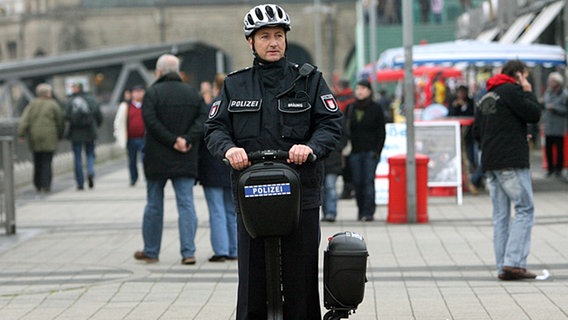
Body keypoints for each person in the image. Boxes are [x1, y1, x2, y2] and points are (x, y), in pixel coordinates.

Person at [204, 4, 343, 319]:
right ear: (250, 42)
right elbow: (214, 128)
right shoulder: (235, 85)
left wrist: (309, 147)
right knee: (252, 280)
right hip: (253, 195)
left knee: (301, 277)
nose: (273, 42)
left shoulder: (309, 81)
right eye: (264, 36)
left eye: (278, 35)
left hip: (301, 193)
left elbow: (331, 124)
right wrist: (229, 150)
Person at [133, 54, 208, 265]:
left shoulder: (153, 93)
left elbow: (150, 122)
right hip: (185, 157)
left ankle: (151, 250)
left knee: (154, 205)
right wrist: (186, 139)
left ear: (158, 72)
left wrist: (171, 140)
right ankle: (188, 252)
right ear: (177, 71)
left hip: (157, 158)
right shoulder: (192, 93)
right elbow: (203, 119)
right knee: (186, 204)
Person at [472, 59, 541, 281]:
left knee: (500, 216)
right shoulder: (512, 90)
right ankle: (514, 263)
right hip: (511, 160)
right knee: (524, 209)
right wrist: (528, 91)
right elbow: (533, 113)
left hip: (490, 162)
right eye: (526, 76)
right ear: (518, 75)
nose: (527, 80)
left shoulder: (485, 95)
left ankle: (503, 266)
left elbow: (476, 133)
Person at [198, 73, 238, 262]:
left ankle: (221, 249)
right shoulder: (239, 107)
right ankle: (234, 249)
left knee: (216, 209)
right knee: (232, 209)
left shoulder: (210, 108)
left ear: (216, 87)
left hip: (211, 164)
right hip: (233, 164)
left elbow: (203, 136)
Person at [345, 79, 386, 222]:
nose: (359, 91)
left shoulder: (376, 108)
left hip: (370, 152)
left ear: (369, 91)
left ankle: (368, 212)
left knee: (368, 181)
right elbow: (345, 129)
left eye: (362, 89)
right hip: (354, 151)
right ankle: (360, 210)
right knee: (357, 182)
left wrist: (377, 151)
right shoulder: (351, 108)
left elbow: (381, 131)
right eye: (358, 89)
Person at [18, 83, 65, 193]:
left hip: (35, 137)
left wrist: (21, 134)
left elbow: (24, 120)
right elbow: (60, 120)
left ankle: (37, 184)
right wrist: (60, 134)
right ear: (48, 93)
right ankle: (46, 184)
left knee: (37, 160)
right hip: (50, 136)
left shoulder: (32, 104)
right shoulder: (53, 104)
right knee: (47, 161)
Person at [65, 82, 103, 190]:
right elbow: (98, 114)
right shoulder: (91, 99)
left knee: (77, 158)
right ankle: (90, 170)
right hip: (90, 131)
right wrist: (97, 125)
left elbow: (66, 116)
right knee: (90, 153)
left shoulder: (71, 101)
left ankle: (80, 182)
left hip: (76, 132)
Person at [113, 85, 146, 186]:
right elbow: (119, 121)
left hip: (143, 137)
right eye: (136, 92)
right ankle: (133, 178)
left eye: (140, 92)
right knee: (132, 159)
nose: (138, 94)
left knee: (145, 158)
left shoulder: (147, 105)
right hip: (131, 138)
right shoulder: (126, 106)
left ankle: (147, 176)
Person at [542, 72, 567, 178]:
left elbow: (566, 110)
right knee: (548, 148)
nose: (550, 83)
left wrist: (555, 108)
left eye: (552, 81)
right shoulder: (547, 92)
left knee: (559, 148)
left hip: (559, 126)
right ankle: (550, 168)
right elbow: (544, 104)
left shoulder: (564, 94)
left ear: (558, 82)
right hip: (548, 125)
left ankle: (559, 169)